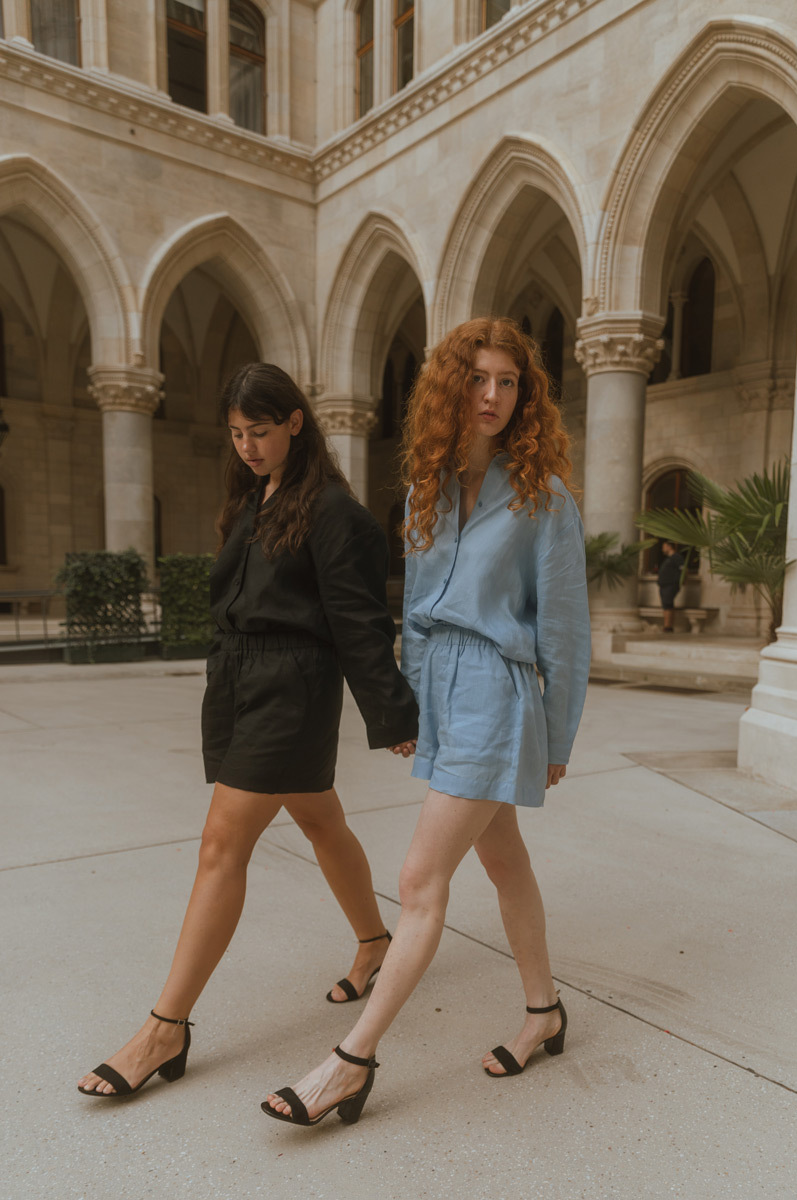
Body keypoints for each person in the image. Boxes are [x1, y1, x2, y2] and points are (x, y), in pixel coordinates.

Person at [262, 316, 591, 1128]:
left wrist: (556, 735)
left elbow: (565, 633)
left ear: (526, 394)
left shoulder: (544, 498)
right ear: (451, 386)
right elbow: (410, 609)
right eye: (478, 378)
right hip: (442, 691)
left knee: (418, 881)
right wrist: (405, 701)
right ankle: (544, 1011)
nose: (493, 395)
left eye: (509, 382)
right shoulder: (425, 488)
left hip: (498, 693)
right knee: (503, 859)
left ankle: (352, 1061)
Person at [78, 363, 418, 1098]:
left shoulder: (336, 513)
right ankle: (374, 942)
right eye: (235, 435)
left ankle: (166, 1027)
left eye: (258, 432)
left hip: (291, 691)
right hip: (239, 682)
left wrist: (393, 713)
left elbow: (361, 623)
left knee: (220, 845)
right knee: (322, 822)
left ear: (296, 421)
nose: (247, 447)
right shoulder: (252, 497)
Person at [658, 540, 685, 632]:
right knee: (665, 604)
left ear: (669, 546)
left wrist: (683, 581)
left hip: (671, 585)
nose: (662, 549)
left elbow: (684, 569)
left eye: (664, 546)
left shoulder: (676, 557)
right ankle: (666, 625)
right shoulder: (668, 559)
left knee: (668, 604)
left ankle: (668, 627)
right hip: (664, 585)